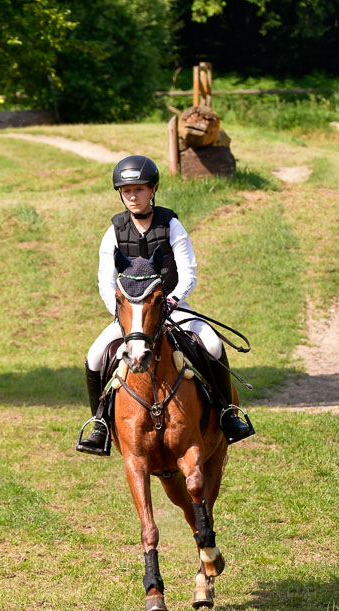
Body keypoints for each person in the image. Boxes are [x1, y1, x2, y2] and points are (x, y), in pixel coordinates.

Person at [77, 155, 254, 455]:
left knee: (211, 344)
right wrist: (120, 314)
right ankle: (100, 425)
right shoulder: (114, 232)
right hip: (133, 316)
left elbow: (189, 273)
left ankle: (228, 415)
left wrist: (171, 302)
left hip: (172, 307)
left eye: (139, 190)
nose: (132, 196)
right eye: (126, 191)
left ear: (153, 190)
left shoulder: (171, 225)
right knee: (94, 356)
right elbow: (105, 282)